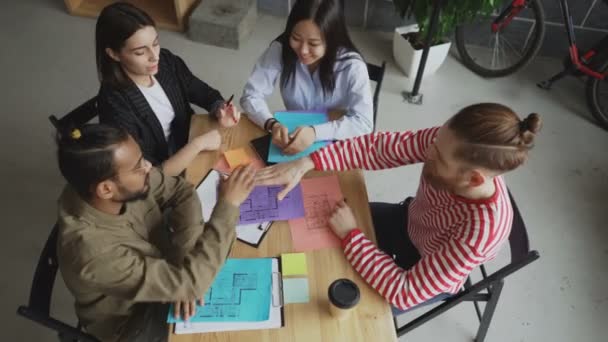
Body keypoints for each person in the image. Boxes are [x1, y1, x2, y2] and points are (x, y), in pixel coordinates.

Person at [255, 103, 542, 311]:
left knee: (343, 307)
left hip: (422, 266)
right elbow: (379, 148)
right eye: (436, 140)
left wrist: (353, 236)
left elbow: (404, 291)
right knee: (316, 232)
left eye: (437, 157)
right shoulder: (448, 145)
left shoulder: (481, 232)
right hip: (412, 220)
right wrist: (307, 163)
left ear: (474, 179)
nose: (426, 152)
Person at [55, 123, 255, 342]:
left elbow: (182, 191)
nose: (149, 167)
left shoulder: (110, 184)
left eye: (142, 158)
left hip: (166, 268)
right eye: (137, 167)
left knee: (224, 255)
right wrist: (228, 203)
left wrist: (183, 263)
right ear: (105, 189)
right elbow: (193, 285)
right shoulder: (91, 253)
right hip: (133, 320)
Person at [96, 2, 241, 177]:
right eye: (140, 52)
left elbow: (199, 90)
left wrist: (219, 108)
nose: (154, 56)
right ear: (114, 54)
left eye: (155, 43)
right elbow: (149, 175)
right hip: (166, 168)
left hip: (191, 137)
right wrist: (197, 145)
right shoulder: (114, 107)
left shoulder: (165, 61)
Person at [240, 0, 373, 155]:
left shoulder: (353, 67)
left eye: (313, 44)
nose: (303, 51)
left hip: (335, 141)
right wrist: (271, 124)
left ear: (332, 40)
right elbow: (251, 95)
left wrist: (315, 133)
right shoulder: (281, 48)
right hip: (292, 136)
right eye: (296, 38)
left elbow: (363, 123)